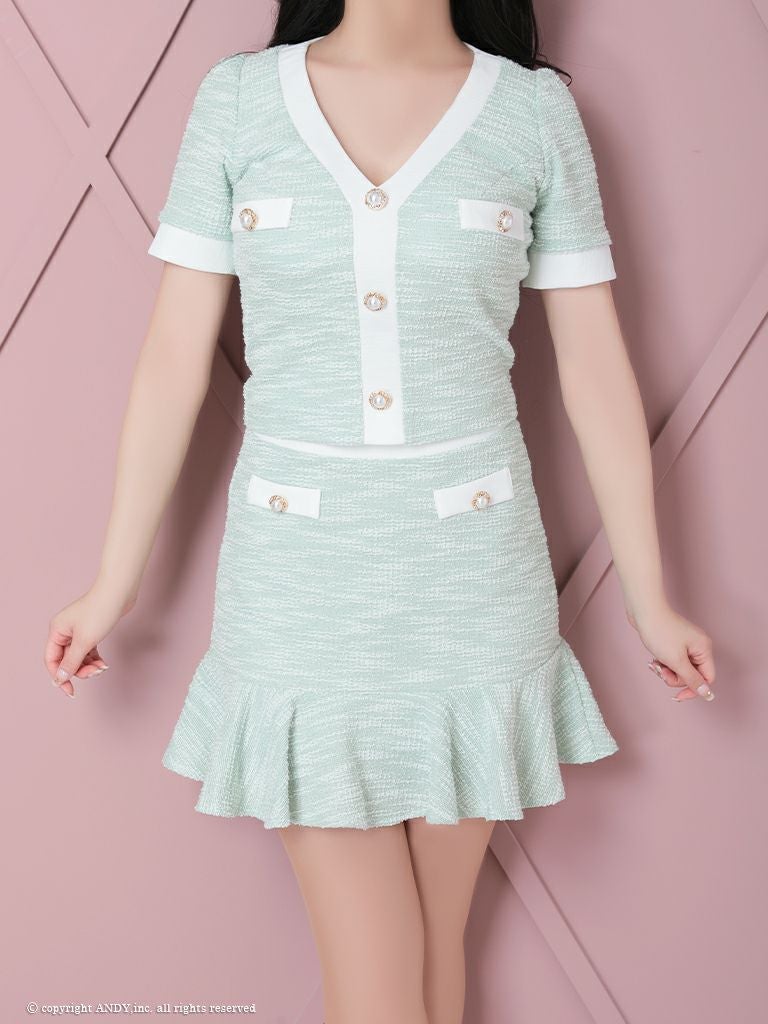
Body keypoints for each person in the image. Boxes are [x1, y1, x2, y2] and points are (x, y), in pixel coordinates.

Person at [44, 2, 716, 1022]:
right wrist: (112, 583)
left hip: (476, 589)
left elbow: (594, 369)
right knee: (382, 983)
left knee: (434, 958)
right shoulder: (240, 100)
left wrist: (651, 602)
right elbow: (175, 358)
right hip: (298, 594)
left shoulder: (532, 114)